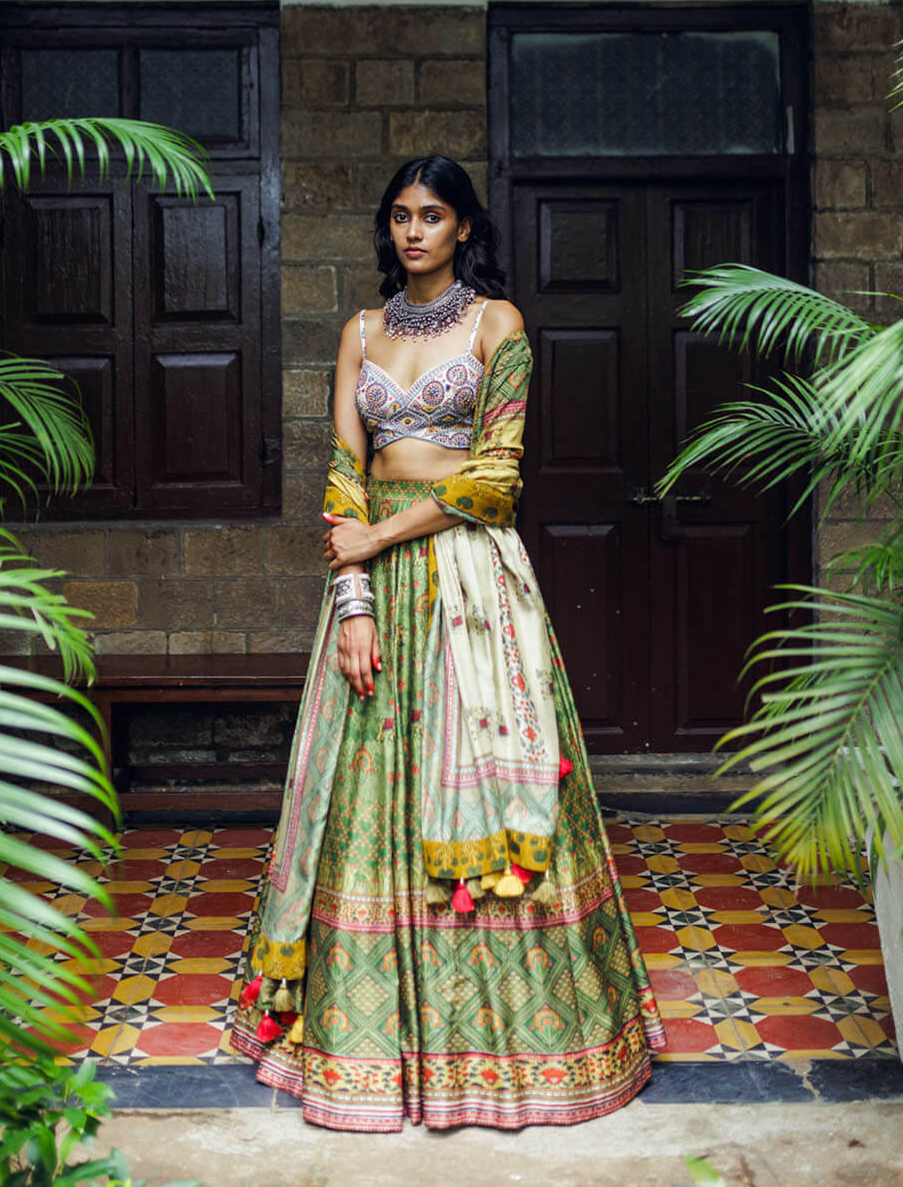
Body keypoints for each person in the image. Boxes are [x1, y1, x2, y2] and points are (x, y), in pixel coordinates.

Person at [232, 155, 665, 1132]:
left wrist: (378, 538)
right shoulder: (361, 332)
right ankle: (365, 1043)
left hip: (473, 584)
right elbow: (344, 477)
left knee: (491, 779)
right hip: (372, 590)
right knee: (362, 796)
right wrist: (354, 602)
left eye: (432, 216)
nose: (413, 232)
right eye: (399, 217)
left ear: (465, 227)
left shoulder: (498, 325)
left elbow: (495, 480)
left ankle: (520, 1044)